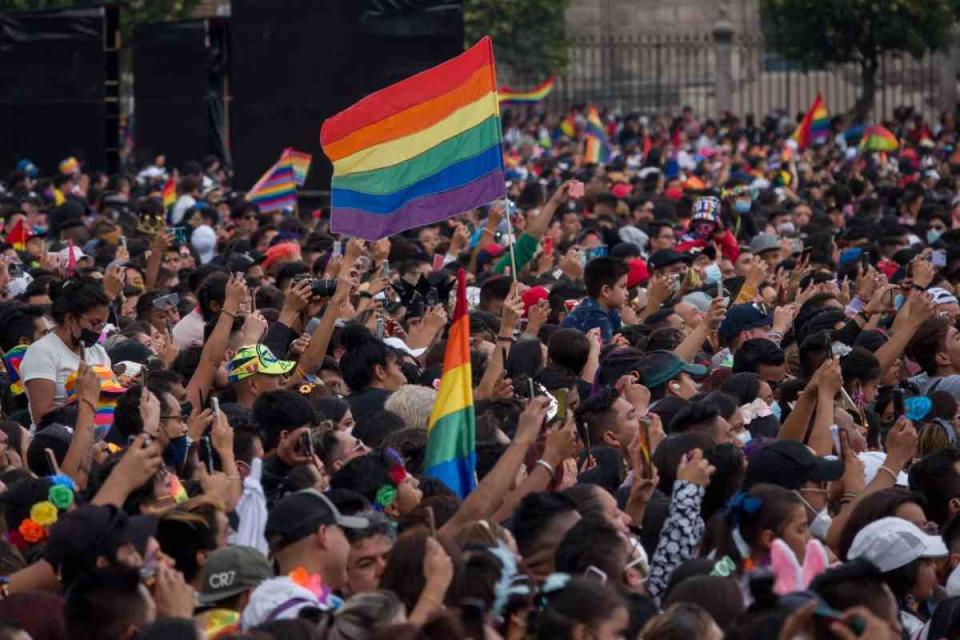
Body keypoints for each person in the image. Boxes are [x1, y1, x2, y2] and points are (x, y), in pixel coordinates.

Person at [20, 277, 111, 426]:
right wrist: (84, 400)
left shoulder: (99, 352)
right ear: (70, 319)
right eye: (94, 323)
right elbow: (42, 417)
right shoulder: (42, 352)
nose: (99, 330)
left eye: (103, 324)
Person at [561, 256, 629, 342]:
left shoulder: (610, 309)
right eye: (623, 287)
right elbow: (608, 353)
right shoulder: (594, 315)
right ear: (606, 291)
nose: (627, 293)